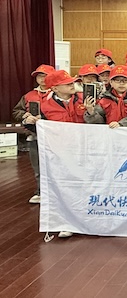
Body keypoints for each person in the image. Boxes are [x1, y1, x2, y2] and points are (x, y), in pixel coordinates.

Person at [27, 70, 92, 238]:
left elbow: (98, 121)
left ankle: (89, 220)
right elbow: (38, 129)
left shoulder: (85, 99)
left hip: (85, 149)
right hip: (60, 153)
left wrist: (91, 111)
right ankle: (67, 222)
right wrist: (30, 122)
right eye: (67, 83)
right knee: (65, 187)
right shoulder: (44, 106)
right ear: (55, 88)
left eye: (72, 82)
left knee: (86, 185)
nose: (72, 85)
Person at [12, 64, 55, 204]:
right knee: (38, 166)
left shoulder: (58, 94)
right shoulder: (29, 95)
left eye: (45, 76)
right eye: (39, 76)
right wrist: (25, 115)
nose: (42, 79)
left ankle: (58, 194)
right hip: (34, 136)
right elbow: (16, 111)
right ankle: (41, 191)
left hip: (55, 137)